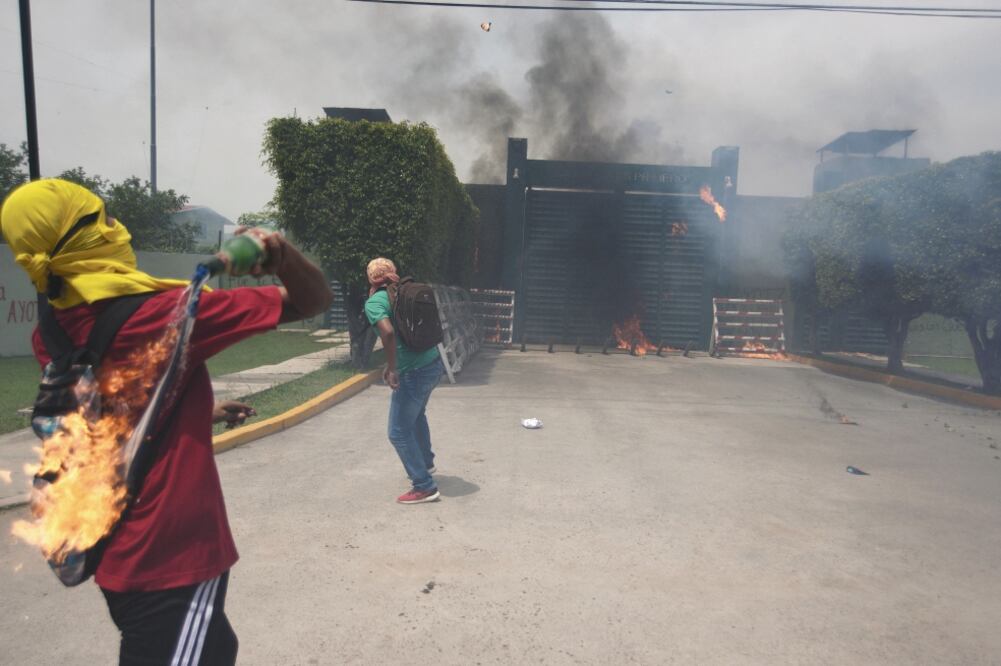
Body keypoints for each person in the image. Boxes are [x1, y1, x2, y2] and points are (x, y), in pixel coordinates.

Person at [0, 179, 332, 666]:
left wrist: (197, 408)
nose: (119, 226)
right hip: (170, 558)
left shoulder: (49, 331)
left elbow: (107, 407)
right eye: (105, 218)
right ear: (84, 237)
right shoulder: (166, 314)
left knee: (217, 647)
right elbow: (313, 301)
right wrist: (280, 254)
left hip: (112, 548)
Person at [364, 257, 445, 505]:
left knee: (397, 432)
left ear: (371, 278)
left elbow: (387, 332)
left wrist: (392, 368)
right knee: (417, 414)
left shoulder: (375, 302)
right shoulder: (404, 291)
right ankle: (426, 463)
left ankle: (424, 486)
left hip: (412, 372)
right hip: (433, 363)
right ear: (393, 273)